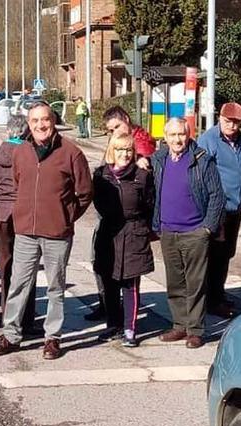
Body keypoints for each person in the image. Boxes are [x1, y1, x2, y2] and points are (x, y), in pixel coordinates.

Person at [0, 103, 93, 360]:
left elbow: (85, 192)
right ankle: (11, 335)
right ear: (29, 124)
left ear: (53, 121)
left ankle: (52, 338)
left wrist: (66, 216)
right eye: (35, 121)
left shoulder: (71, 153)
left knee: (55, 287)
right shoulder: (20, 152)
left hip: (57, 232)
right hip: (25, 231)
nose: (40, 125)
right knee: (18, 284)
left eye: (45, 120)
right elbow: (17, 183)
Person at [151, 118, 224, 349]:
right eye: (172, 135)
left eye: (181, 135)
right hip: (167, 231)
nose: (177, 140)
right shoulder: (158, 160)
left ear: (188, 134)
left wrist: (207, 228)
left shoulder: (202, 160)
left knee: (195, 283)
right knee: (175, 283)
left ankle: (195, 330)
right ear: (165, 137)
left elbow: (216, 196)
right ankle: (179, 325)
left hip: (195, 232)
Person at [84, 105, 157, 322]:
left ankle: (121, 317)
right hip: (110, 215)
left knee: (124, 272)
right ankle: (108, 306)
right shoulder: (119, 140)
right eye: (109, 130)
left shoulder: (140, 141)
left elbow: (146, 188)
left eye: (116, 126)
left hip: (128, 220)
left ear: (126, 119)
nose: (114, 132)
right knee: (102, 262)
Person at [92, 133, 155, 347]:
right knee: (109, 283)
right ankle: (113, 324)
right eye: (120, 149)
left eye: (128, 150)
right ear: (112, 151)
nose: (125, 154)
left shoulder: (142, 176)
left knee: (130, 285)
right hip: (109, 234)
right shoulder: (101, 175)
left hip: (134, 234)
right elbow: (98, 203)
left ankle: (130, 328)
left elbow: (149, 204)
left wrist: (143, 228)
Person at [197, 102, 241, 318]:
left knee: (226, 255)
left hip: (234, 211)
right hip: (216, 210)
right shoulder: (209, 140)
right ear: (220, 118)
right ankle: (211, 301)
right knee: (215, 257)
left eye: (236, 122)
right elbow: (199, 175)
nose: (232, 125)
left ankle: (218, 293)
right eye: (228, 121)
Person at [0, 114, 36, 334]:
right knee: (27, 266)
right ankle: (25, 320)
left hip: (3, 213)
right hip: (24, 213)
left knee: (6, 265)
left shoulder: (0, 151)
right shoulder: (28, 152)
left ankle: (6, 316)